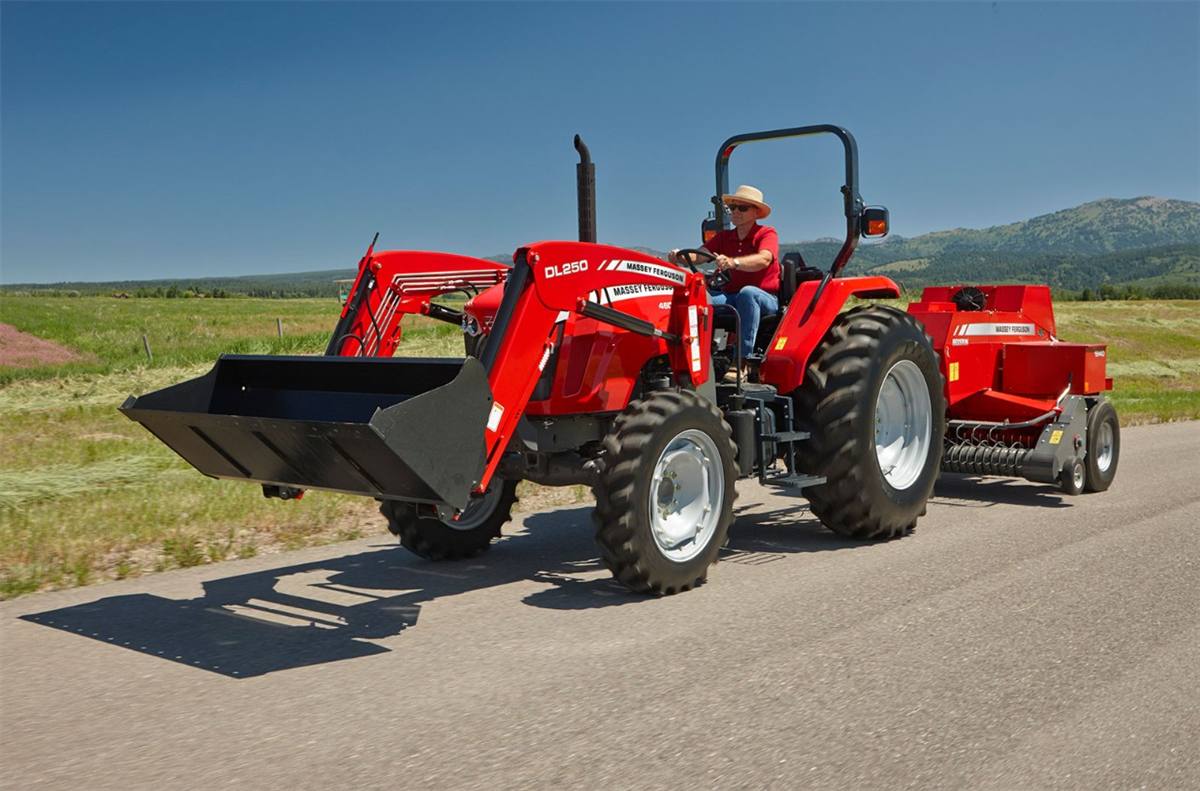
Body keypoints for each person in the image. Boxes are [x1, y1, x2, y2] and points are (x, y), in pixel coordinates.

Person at [669, 184, 780, 381]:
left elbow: (764, 259)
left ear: (756, 212)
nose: (736, 212)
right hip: (731, 297)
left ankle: (742, 361)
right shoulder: (724, 238)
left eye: (742, 208)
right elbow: (700, 256)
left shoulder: (766, 234)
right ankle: (694, 357)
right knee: (700, 297)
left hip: (764, 299)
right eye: (733, 208)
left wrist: (734, 262)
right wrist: (679, 256)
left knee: (748, 293)